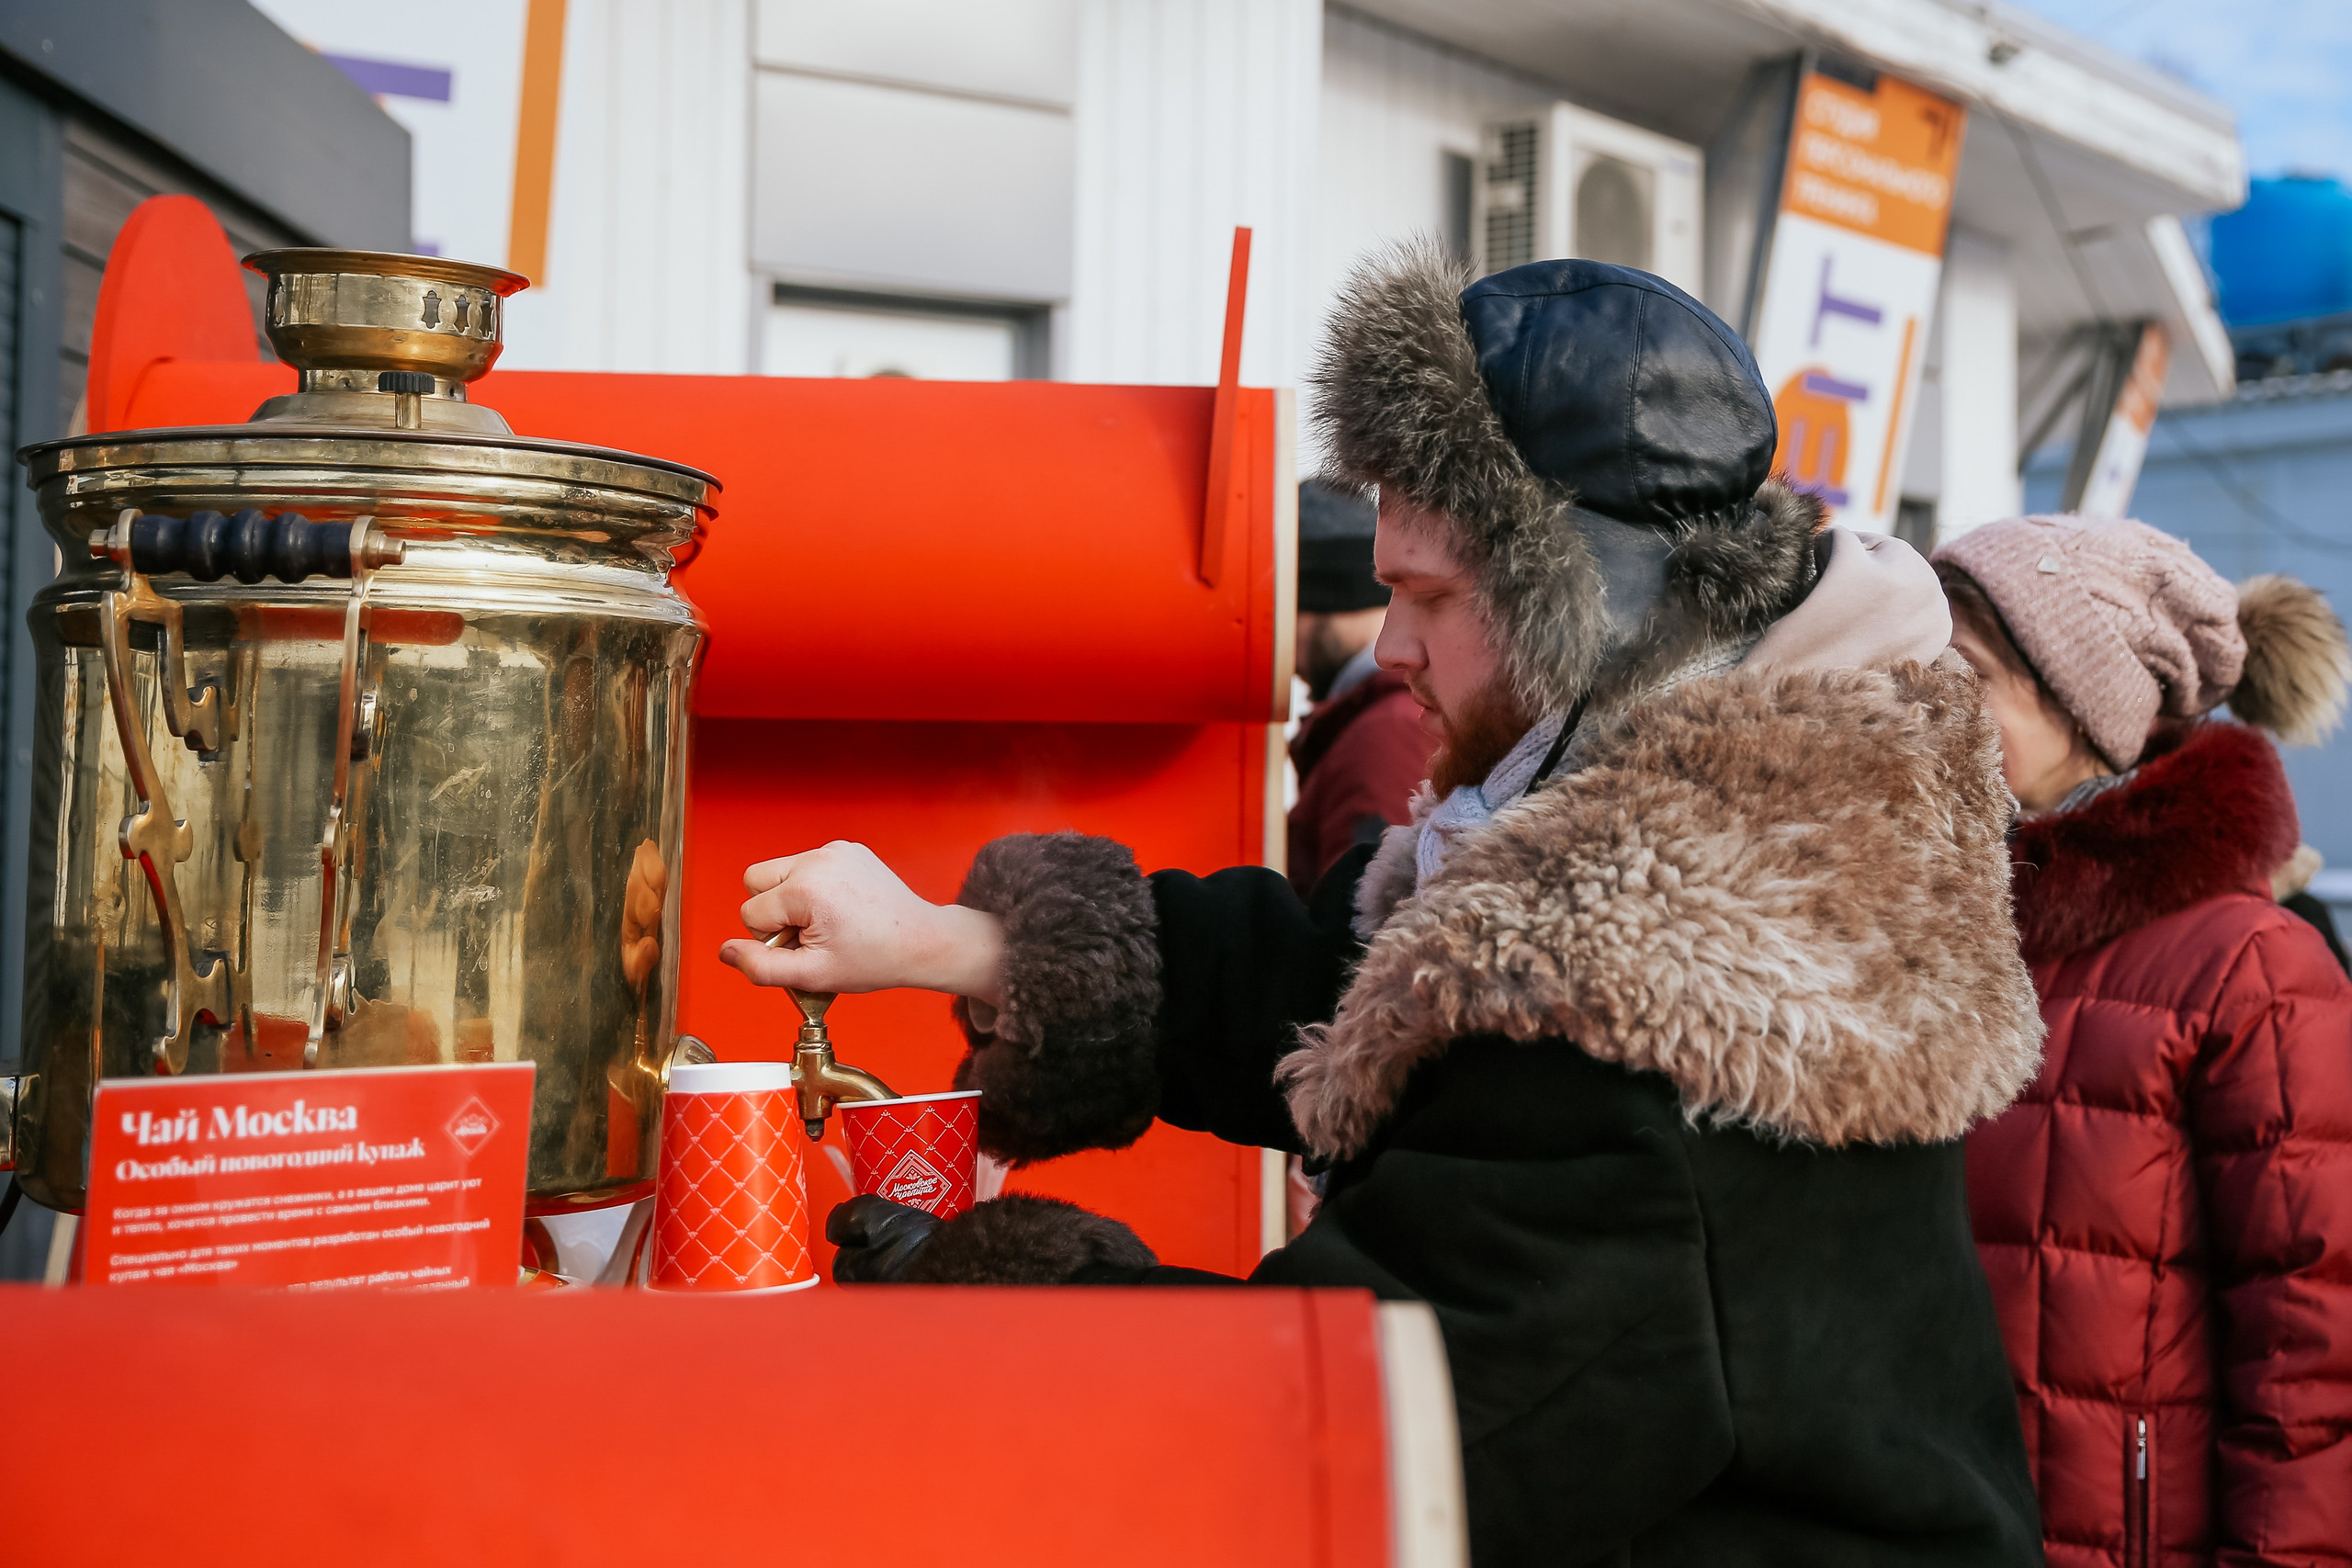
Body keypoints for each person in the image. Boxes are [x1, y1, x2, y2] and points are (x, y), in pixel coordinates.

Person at [724, 251, 2046, 1564]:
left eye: (1429, 595)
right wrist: (950, 939)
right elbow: (1368, 988)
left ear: (1587, 611)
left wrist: (990, 1310)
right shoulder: (1701, 840)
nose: (1392, 643)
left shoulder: (1664, 1024)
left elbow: (1342, 1426)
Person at [1933, 516, 2352, 1568]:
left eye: (1965, 671)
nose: (1923, 703)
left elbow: (2315, 1349)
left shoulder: (2247, 969)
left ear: (2091, 710)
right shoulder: (1931, 933)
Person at [1289, 477, 1435, 891]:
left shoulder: (1384, 733)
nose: (1284, 655)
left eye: (1283, 614)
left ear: (1321, 599)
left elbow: (1362, 932)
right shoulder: (1388, 716)